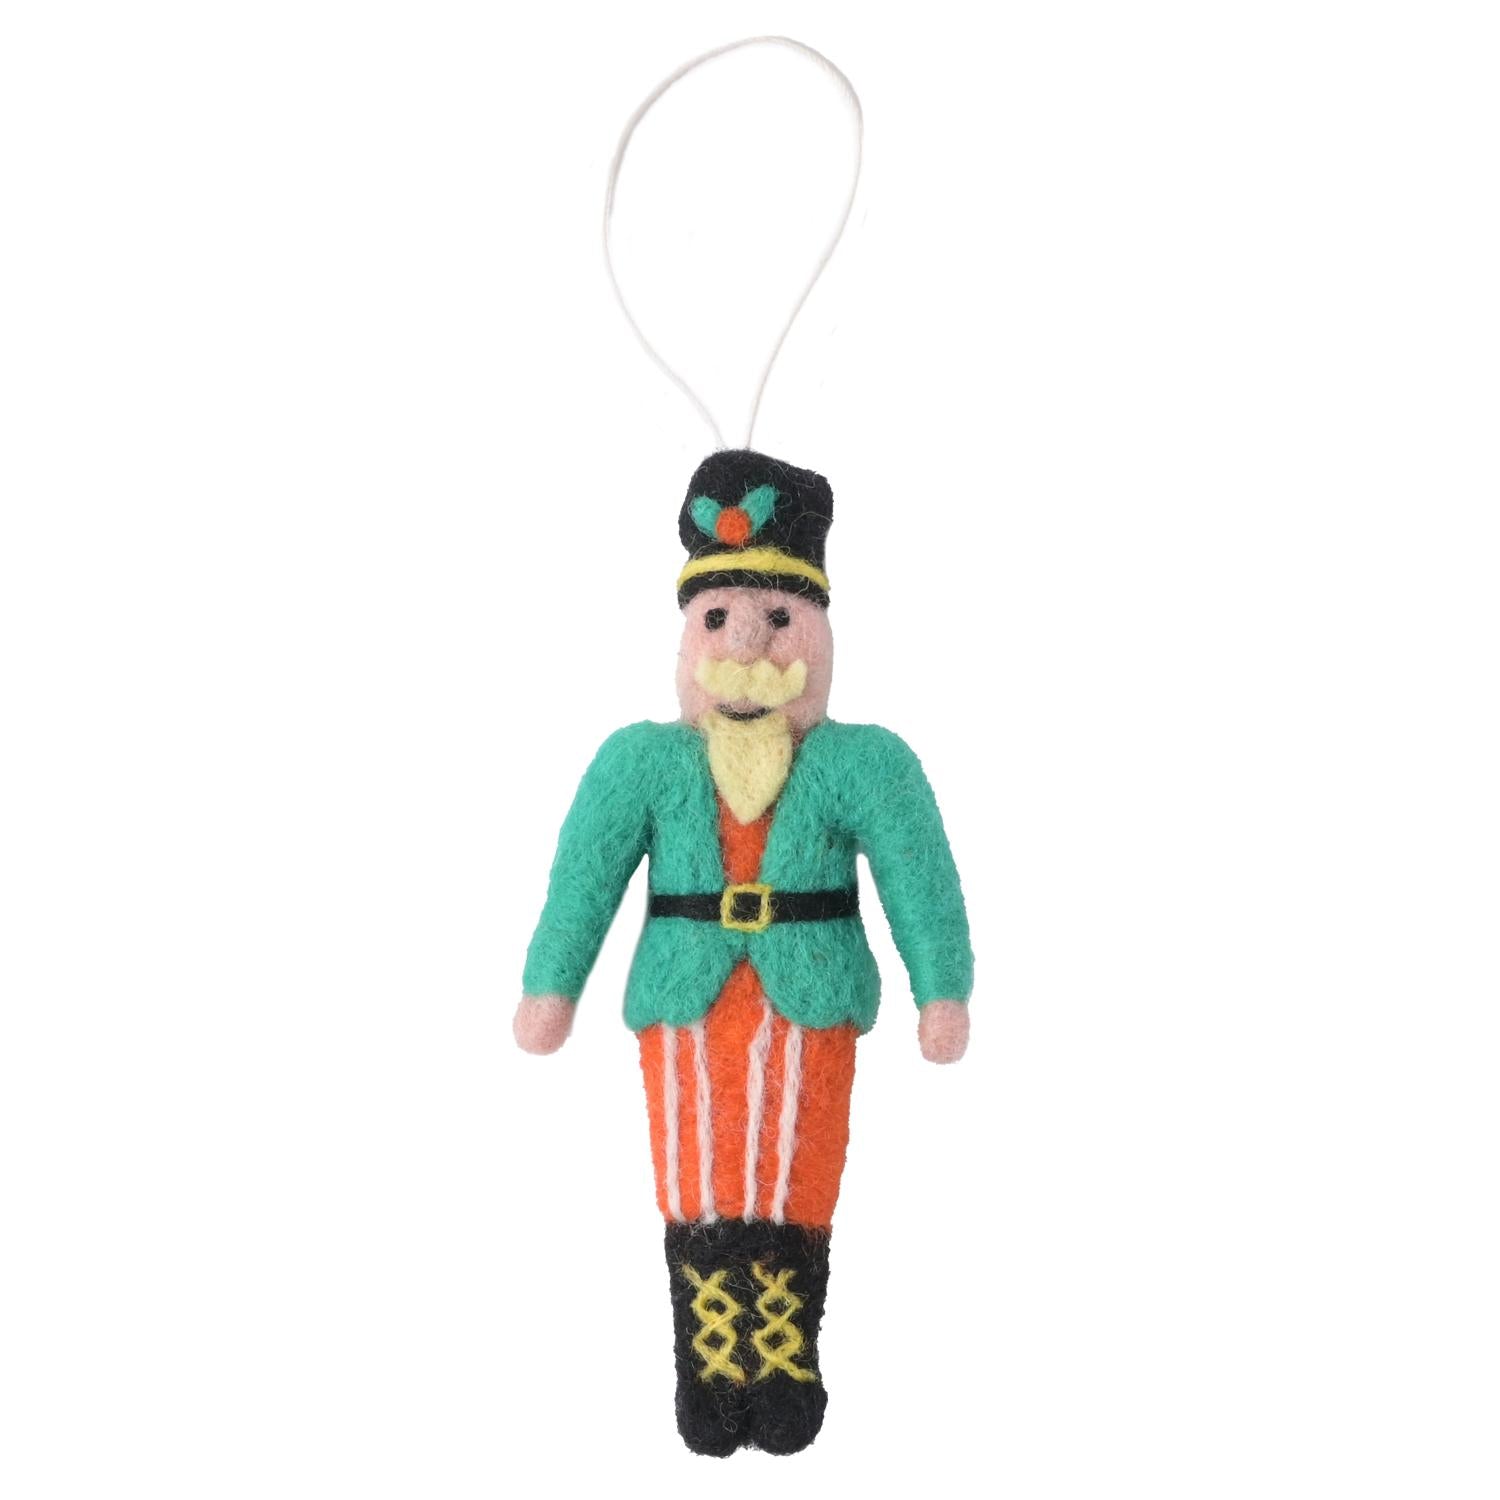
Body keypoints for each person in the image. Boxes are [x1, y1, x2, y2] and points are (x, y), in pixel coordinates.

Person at [515, 449, 973, 1455]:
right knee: (698, 1173)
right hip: (686, 1000)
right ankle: (711, 1355)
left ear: (819, 629)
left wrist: (943, 989)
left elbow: (919, 873)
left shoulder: (864, 762)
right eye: (718, 618)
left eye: (778, 618)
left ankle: (786, 1349)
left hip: (813, 998)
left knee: (799, 1175)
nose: (748, 646)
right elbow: (584, 879)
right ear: (688, 632)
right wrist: (552, 986)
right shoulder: (640, 761)